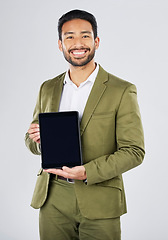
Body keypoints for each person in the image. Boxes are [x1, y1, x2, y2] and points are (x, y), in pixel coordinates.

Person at [25, 9, 145, 240]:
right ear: (60, 45)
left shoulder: (121, 90)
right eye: (69, 36)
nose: (77, 43)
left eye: (85, 35)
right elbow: (30, 142)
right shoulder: (47, 88)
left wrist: (87, 172)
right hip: (52, 197)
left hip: (100, 197)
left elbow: (134, 151)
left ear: (96, 41)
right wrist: (37, 140)